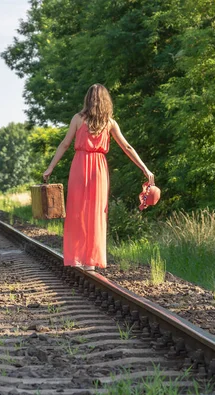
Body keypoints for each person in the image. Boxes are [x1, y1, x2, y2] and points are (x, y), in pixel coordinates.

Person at [42, 84, 154, 271]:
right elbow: (127, 147)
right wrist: (145, 168)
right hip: (99, 169)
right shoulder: (109, 123)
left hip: (79, 166)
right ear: (106, 101)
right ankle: (91, 260)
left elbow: (64, 144)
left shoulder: (78, 119)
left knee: (77, 211)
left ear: (88, 99)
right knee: (96, 213)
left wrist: (50, 168)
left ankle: (77, 257)